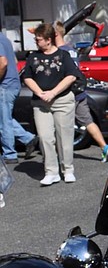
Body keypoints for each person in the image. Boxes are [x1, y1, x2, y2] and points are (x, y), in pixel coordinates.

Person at [20, 23, 78, 185]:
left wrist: (53, 92)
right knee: (45, 137)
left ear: (48, 40)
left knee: (64, 137)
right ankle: (51, 171)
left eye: (39, 39)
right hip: (41, 103)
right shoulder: (33, 57)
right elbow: (27, 77)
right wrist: (40, 93)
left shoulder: (63, 55)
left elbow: (71, 76)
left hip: (62, 101)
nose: (36, 42)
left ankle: (68, 169)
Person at [53, 21, 108, 162]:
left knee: (60, 124)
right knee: (88, 121)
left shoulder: (58, 53)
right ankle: (105, 147)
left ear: (55, 34)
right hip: (79, 92)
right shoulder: (71, 50)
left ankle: (60, 156)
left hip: (66, 94)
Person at [0, 34, 38, 164]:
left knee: (4, 122)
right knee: (4, 118)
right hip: (13, 83)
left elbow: (3, 63)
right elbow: (15, 61)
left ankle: (10, 154)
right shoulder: (5, 39)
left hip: (5, 85)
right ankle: (28, 139)